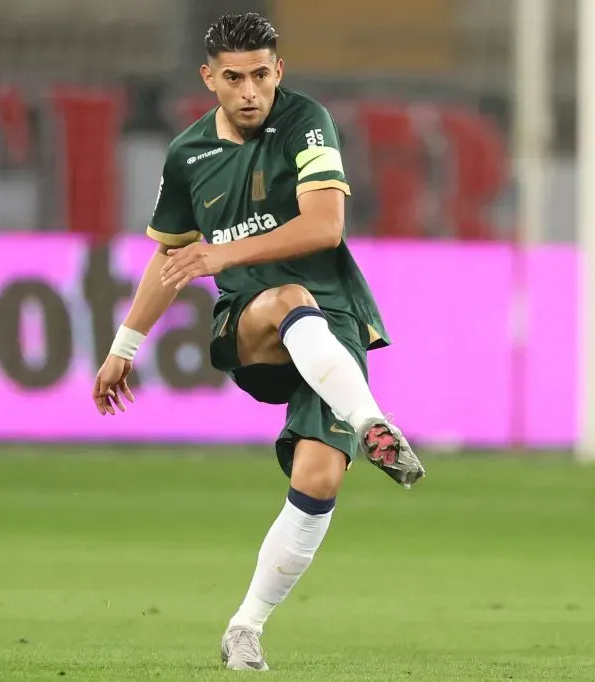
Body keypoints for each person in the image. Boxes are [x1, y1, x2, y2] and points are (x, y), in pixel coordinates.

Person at [89, 12, 426, 672]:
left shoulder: (305, 121)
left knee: (320, 477)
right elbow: (172, 262)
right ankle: (375, 424)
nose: (250, 91)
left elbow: (327, 225)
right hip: (253, 324)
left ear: (280, 71)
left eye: (262, 76)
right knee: (287, 300)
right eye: (235, 78)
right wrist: (124, 346)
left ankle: (245, 628)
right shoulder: (189, 155)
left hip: (332, 327)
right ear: (209, 78)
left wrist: (224, 251)